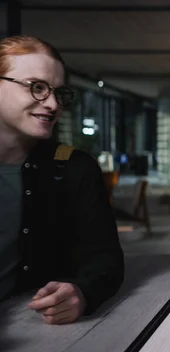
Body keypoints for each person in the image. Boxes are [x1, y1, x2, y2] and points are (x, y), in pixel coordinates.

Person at [0, 35, 124, 324]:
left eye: (58, 93)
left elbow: (105, 259)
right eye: (37, 88)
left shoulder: (74, 167)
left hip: (40, 335)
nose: (53, 104)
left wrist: (82, 292)